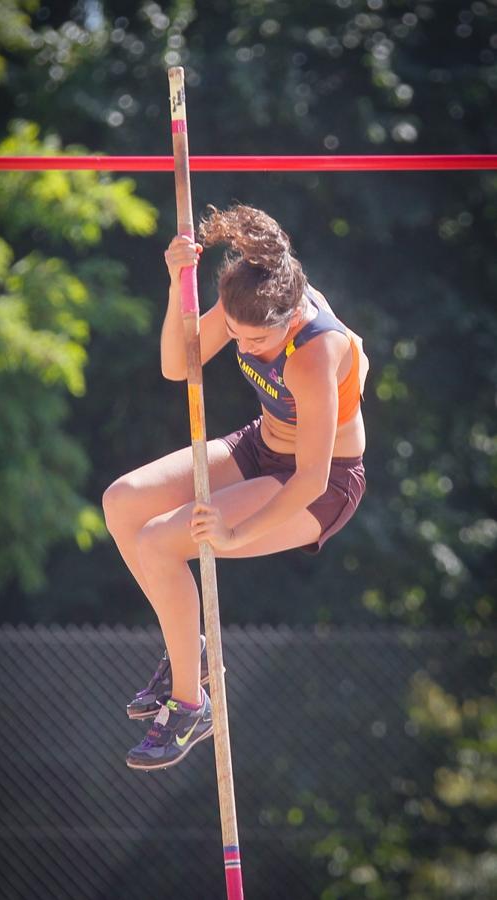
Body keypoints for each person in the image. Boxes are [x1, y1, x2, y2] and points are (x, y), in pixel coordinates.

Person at [102, 204, 369, 771]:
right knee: (122, 503)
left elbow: (312, 477)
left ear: (292, 315)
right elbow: (180, 364)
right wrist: (181, 285)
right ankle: (189, 657)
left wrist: (235, 530)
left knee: (161, 542)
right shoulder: (249, 296)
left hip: (318, 485)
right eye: (239, 337)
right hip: (260, 447)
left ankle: (191, 705)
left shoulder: (316, 352)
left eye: (258, 342)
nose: (245, 350)